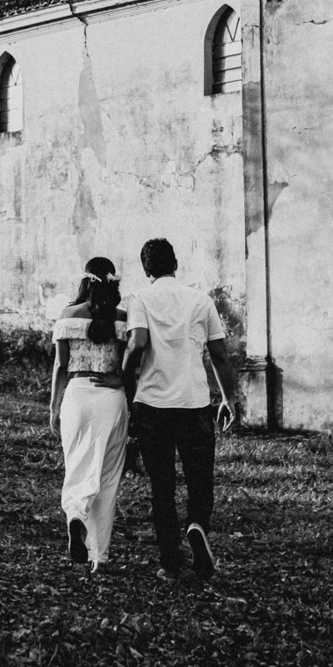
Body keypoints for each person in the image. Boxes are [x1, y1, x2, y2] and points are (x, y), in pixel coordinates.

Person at [124, 237, 237, 585]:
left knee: (162, 487)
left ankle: (171, 564)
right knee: (200, 480)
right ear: (176, 263)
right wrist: (228, 398)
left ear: (146, 270)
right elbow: (219, 353)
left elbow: (138, 342)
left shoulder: (140, 299)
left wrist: (126, 376)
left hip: (153, 407)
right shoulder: (201, 300)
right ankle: (197, 525)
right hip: (195, 404)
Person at [49, 257, 130, 571]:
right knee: (108, 477)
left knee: (78, 465)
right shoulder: (123, 318)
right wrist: (121, 381)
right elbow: (131, 361)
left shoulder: (68, 315)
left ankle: (75, 515)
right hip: (113, 399)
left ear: (85, 280)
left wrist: (54, 407)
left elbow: (59, 366)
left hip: (77, 396)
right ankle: (100, 557)